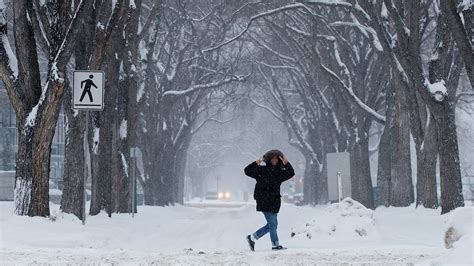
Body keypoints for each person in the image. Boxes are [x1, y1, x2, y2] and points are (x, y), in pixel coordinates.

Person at [243, 149, 295, 251]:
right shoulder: (261, 170)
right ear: (269, 159)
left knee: (272, 225)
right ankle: (275, 245)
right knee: (272, 224)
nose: (274, 160)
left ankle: (252, 237)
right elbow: (247, 171)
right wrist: (257, 162)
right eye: (272, 158)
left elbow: (291, 173)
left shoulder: (280, 173)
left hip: (275, 202)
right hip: (263, 200)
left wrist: (287, 163)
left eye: (276, 158)